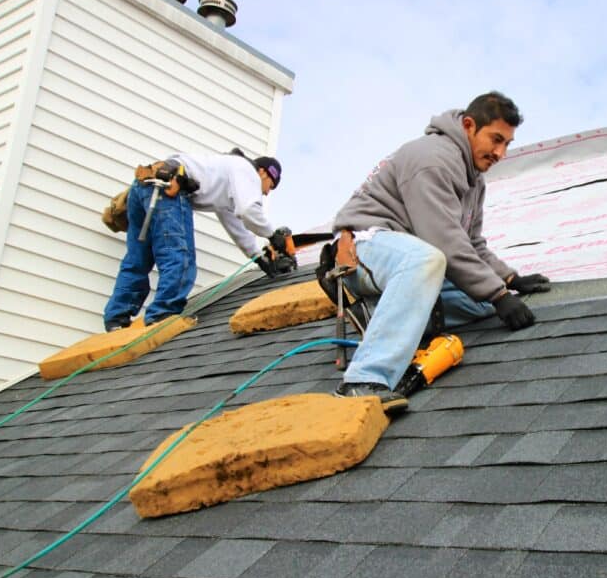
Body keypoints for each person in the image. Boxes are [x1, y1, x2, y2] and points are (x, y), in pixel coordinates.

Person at [330, 91, 550, 411]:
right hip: (366, 247)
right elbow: (444, 240)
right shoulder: (431, 158)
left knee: (479, 304)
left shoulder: (474, 180)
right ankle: (362, 379)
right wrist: (498, 295)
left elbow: (471, 243)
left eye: (507, 144)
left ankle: (382, 311)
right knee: (429, 260)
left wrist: (509, 279)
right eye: (496, 139)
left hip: (406, 258)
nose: (500, 152)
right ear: (470, 126)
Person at [103, 151, 292, 331]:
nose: (267, 193)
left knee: (138, 258)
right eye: (270, 186)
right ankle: (162, 315)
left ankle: (116, 318)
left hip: (143, 185)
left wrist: (258, 256)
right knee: (179, 257)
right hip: (169, 188)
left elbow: (236, 224)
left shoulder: (227, 174)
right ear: (262, 172)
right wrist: (272, 235)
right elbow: (248, 210)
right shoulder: (246, 171)